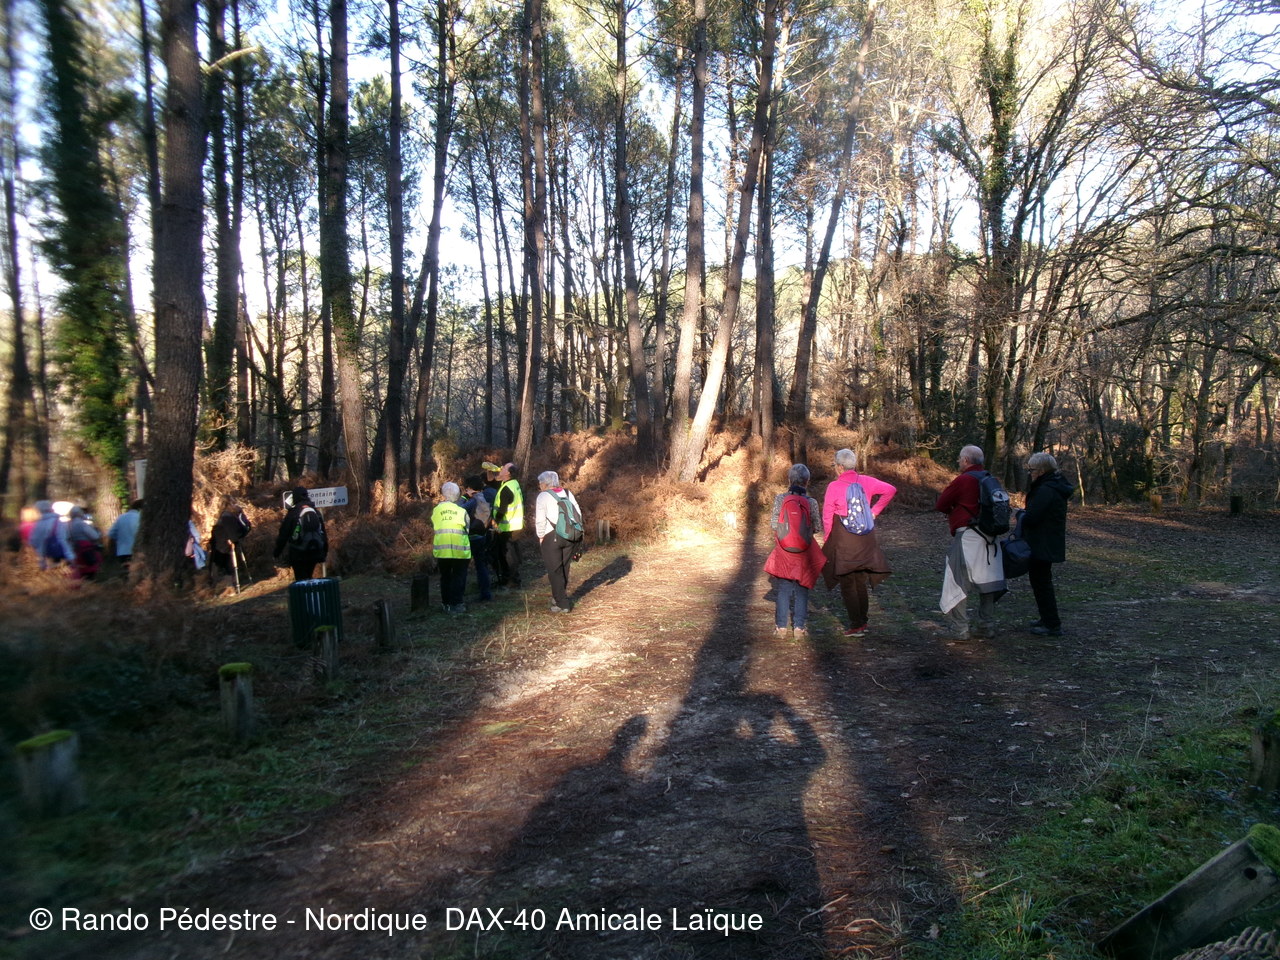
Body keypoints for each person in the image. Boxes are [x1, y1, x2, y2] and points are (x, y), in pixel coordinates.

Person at [821, 449, 896, 637]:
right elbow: (890, 490)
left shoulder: (834, 486)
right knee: (860, 580)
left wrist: (828, 538)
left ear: (840, 467)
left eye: (835, 465)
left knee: (847, 582)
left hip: (844, 539)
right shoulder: (867, 481)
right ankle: (863, 621)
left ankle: (856, 624)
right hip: (865, 539)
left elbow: (827, 516)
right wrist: (874, 511)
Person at [936, 444, 1006, 640]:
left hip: (968, 536)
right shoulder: (991, 479)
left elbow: (941, 504)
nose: (958, 461)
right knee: (988, 582)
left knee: (957, 581)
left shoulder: (964, 480)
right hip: (990, 538)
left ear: (966, 460)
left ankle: (960, 628)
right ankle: (986, 625)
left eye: (960, 458)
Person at [764, 464, 826, 638]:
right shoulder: (811, 502)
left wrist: (787, 534)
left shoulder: (780, 499)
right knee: (802, 588)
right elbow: (817, 527)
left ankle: (781, 628)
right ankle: (799, 628)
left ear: (789, 480)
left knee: (783, 588)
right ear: (807, 481)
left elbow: (774, 524)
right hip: (804, 552)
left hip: (784, 550)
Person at [1022, 452, 1074, 636]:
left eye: (1032, 469)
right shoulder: (1056, 486)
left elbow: (1032, 516)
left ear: (1042, 470)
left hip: (1042, 542)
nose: (1030, 473)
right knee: (1041, 582)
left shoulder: (1046, 489)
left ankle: (1051, 623)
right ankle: (1047, 618)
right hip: (1048, 540)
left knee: (1041, 583)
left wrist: (1021, 516)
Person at [534, 471, 582, 613]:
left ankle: (562, 604)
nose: (539, 485)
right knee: (564, 568)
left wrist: (540, 536)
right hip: (570, 535)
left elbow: (540, 520)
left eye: (540, 483)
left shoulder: (542, 496)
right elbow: (578, 514)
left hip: (551, 536)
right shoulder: (567, 493)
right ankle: (559, 597)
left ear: (545, 483)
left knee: (554, 570)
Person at [274, 486, 328, 581]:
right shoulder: (315, 512)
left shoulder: (293, 513)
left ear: (294, 498)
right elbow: (323, 533)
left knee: (301, 580)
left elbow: (283, 535)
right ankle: (310, 588)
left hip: (298, 552)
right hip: (315, 551)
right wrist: (324, 551)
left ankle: (305, 589)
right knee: (309, 576)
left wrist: (276, 553)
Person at [432, 482, 471, 613]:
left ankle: (446, 603)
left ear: (443, 494)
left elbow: (435, 524)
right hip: (460, 549)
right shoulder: (462, 511)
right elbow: (467, 528)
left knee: (445, 576)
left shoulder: (436, 510)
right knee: (459, 576)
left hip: (442, 550)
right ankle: (457, 603)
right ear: (457, 495)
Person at [492, 462, 525, 589]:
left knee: (507, 555)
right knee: (513, 554)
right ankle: (512, 578)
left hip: (508, 527)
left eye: (504, 468)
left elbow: (502, 509)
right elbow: (492, 480)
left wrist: (495, 521)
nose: (501, 468)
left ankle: (511, 580)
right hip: (516, 525)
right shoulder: (513, 484)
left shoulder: (507, 488)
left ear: (508, 473)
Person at [462, 476, 493, 602]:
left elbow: (460, 510)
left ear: (470, 488)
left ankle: (460, 594)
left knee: (463, 567)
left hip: (470, 537)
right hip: (482, 536)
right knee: (481, 566)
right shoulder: (485, 497)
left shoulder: (473, 500)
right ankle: (486, 593)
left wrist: (464, 497)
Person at [209, 504, 252, 580]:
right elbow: (239, 530)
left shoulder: (223, 517)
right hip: (226, 544)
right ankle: (227, 578)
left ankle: (223, 578)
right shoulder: (230, 517)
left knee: (220, 560)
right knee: (225, 561)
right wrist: (236, 538)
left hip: (221, 545)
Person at [31, 500, 70, 570]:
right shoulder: (58, 522)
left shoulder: (38, 525)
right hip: (62, 557)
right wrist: (71, 557)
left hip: (47, 557)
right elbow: (65, 540)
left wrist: (41, 560)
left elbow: (34, 542)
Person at [66, 506, 103, 580]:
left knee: (79, 570)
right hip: (86, 550)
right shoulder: (82, 524)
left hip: (75, 550)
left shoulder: (68, 525)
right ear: (80, 514)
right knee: (90, 570)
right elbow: (94, 536)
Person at [107, 499, 143, 572]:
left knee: (126, 572)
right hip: (138, 551)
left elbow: (111, 533)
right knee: (138, 573)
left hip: (122, 552)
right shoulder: (140, 518)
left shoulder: (121, 518)